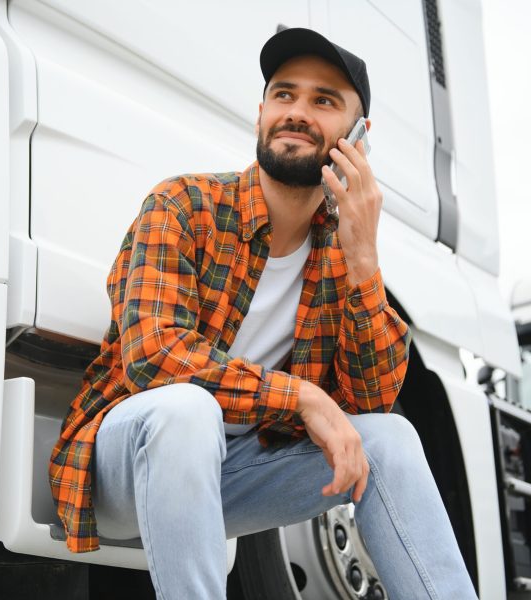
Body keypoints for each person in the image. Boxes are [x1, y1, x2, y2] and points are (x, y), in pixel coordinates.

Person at [49, 27, 478, 600]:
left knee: (391, 439)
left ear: (358, 137)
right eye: (284, 94)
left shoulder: (339, 252)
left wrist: (364, 261)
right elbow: (154, 356)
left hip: (237, 475)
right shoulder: (182, 205)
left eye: (324, 101)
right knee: (187, 410)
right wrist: (301, 397)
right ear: (260, 115)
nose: (297, 112)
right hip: (131, 465)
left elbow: (366, 406)